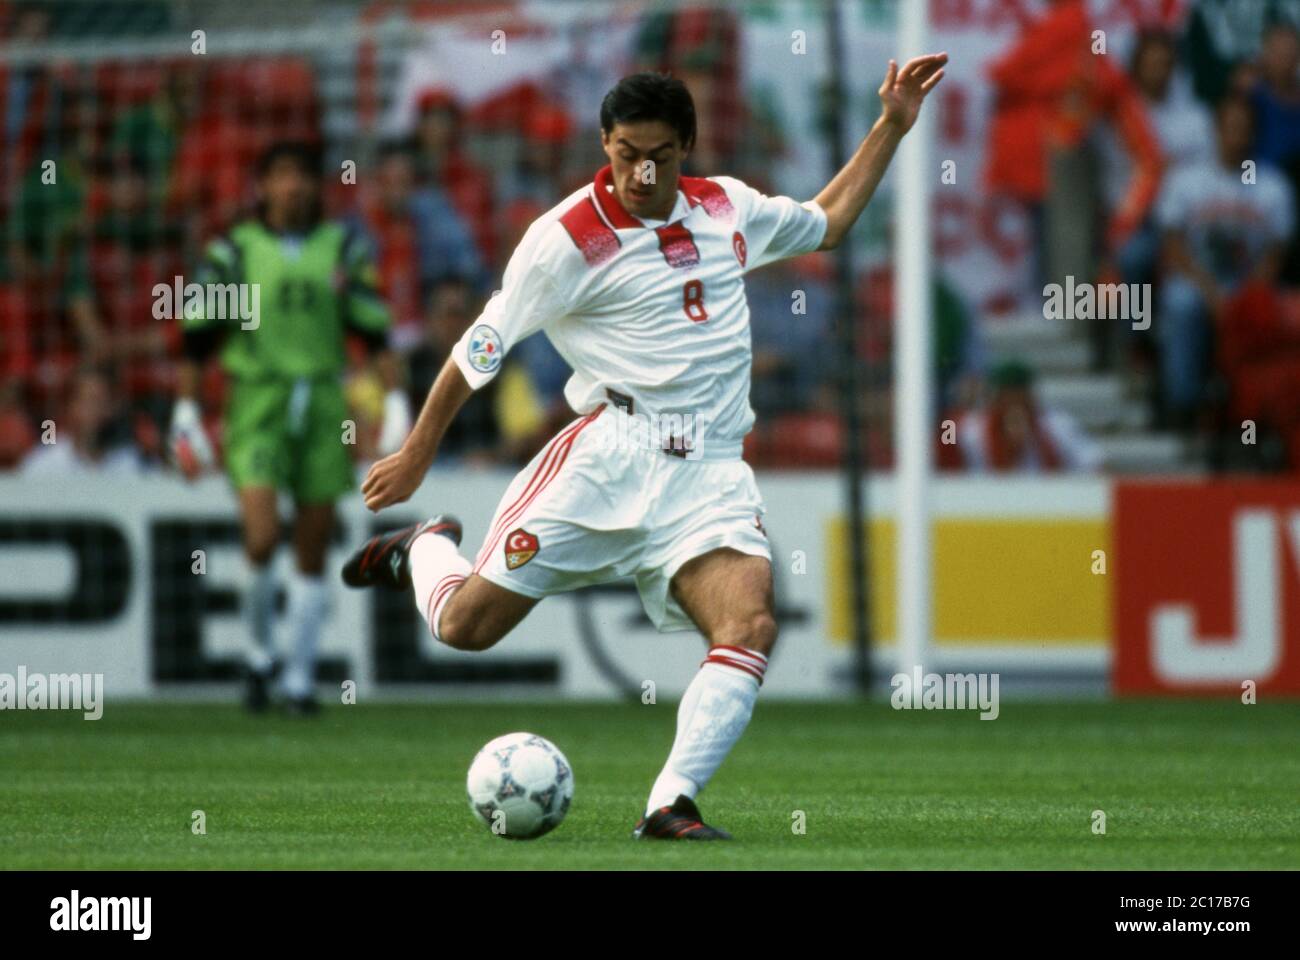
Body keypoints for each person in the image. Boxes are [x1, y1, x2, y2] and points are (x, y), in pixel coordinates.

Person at [342, 61, 946, 839]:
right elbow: (477, 349)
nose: (642, 170)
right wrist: (420, 450)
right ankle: (424, 550)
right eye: (627, 152)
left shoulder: (726, 206)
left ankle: (670, 801)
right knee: (464, 628)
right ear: (605, 143)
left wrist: (891, 124)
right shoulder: (562, 240)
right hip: (607, 458)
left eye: (659, 152)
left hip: (711, 471)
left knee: (750, 625)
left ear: (687, 146)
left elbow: (828, 220)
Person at [172, 141, 408, 714]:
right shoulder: (234, 251)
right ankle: (258, 655)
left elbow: (375, 332)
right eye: (281, 176)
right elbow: (196, 338)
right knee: (259, 537)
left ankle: (298, 677)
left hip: (326, 401)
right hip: (257, 401)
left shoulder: (343, 248)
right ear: (262, 187)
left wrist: (397, 399)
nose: (293, 188)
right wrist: (184, 411)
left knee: (311, 546)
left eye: (302, 177)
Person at [1156, 97, 1294, 428]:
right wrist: (1211, 293)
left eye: (1244, 130)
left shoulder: (1271, 185)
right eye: (1230, 128)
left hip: (1247, 288)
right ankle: (1183, 406)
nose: (1237, 137)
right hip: (1196, 281)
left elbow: (1275, 255)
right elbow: (1174, 248)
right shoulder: (1186, 179)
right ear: (1216, 131)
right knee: (1180, 304)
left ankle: (1251, 416)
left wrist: (1242, 299)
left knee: (1266, 312)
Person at [943, 359, 1101, 473]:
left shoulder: (1057, 425)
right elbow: (945, 433)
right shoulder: (972, 428)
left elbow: (1096, 464)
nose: (1014, 406)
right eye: (1007, 398)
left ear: (1030, 397)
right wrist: (956, 411)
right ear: (995, 399)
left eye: (1019, 397)